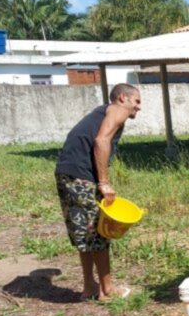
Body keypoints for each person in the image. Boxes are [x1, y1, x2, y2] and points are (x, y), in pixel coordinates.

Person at [54, 83, 141, 301]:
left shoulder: (100, 112)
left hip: (66, 173)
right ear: (123, 97)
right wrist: (103, 182)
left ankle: (90, 287)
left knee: (85, 233)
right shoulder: (117, 110)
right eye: (137, 102)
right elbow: (101, 141)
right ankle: (107, 290)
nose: (138, 108)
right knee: (99, 230)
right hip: (82, 177)